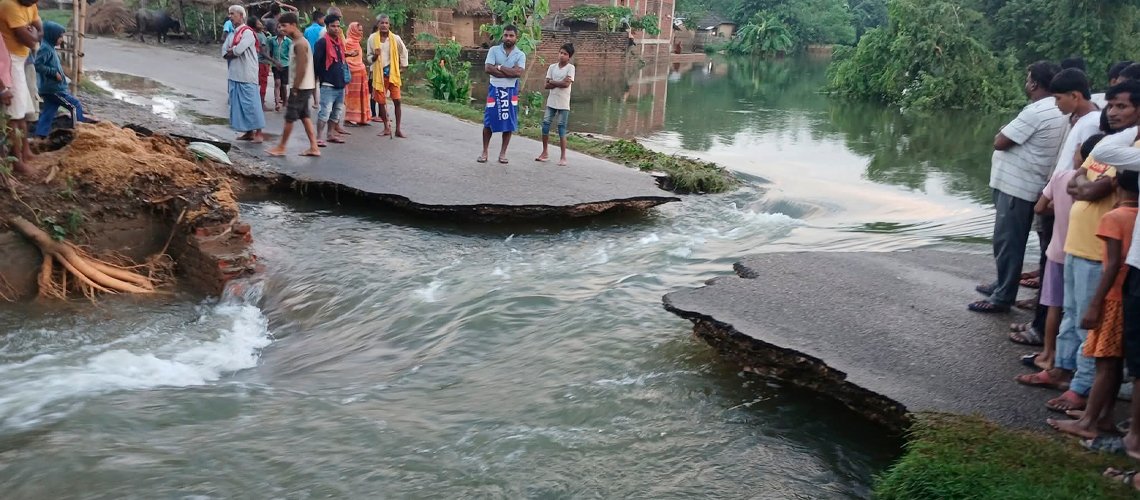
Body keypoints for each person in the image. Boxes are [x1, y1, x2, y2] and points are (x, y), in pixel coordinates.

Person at [1041, 80, 1140, 413]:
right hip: (1076, 246)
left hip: (1099, 255)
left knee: (1089, 324)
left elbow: (1092, 189)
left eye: (1121, 106)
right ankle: (1062, 369)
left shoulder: (1131, 153)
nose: (1112, 112)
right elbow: (1076, 183)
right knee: (1070, 316)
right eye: (1110, 105)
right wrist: (1087, 186)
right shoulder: (1107, 144)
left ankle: (1081, 388)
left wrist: (1088, 186)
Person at [1011, 69, 1103, 347]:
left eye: (1059, 98)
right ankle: (1042, 328)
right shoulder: (1082, 120)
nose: (1056, 104)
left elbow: (1080, 167)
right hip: (1058, 199)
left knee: (1055, 274)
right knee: (1051, 269)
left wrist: (1053, 200)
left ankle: (1043, 332)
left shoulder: (1089, 124)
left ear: (1075, 96)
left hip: (1062, 206)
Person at [1047, 170, 1137, 439]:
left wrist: (1096, 303)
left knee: (1105, 363)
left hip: (1112, 297)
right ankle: (1103, 417)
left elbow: (1112, 265)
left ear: (1116, 183)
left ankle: (1088, 423)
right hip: (1128, 295)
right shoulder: (1137, 216)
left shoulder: (1114, 217)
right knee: (1114, 361)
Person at [970, 61, 1066, 313]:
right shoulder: (1059, 109)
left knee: (1008, 241)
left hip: (1018, 187)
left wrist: (1003, 130)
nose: (1026, 83)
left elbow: (1000, 141)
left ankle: (1003, 296)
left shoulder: (1036, 111)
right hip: (1032, 183)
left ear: (1034, 84)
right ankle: (1003, 284)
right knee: (1012, 240)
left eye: (1028, 78)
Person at [1016, 134, 1102, 385]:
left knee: (1056, 306)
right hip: (1084, 252)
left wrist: (1056, 208)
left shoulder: (1062, 177)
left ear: (1082, 156)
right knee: (1077, 311)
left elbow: (1039, 208)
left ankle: (1048, 354)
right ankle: (1075, 364)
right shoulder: (1099, 186)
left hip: (1057, 252)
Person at [267, 12, 318, 158]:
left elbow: (302, 67)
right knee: (304, 116)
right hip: (304, 86)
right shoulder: (296, 42)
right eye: (280, 26)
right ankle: (314, 147)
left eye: (284, 25)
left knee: (290, 117)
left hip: (301, 87)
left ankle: (281, 147)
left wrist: (295, 88)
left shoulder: (300, 43)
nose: (281, 28)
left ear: (294, 25)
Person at [32, 21, 94, 137]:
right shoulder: (46, 49)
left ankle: (40, 135)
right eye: (60, 36)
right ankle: (79, 132)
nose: (62, 40)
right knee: (74, 105)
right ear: (51, 35)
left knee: (49, 112)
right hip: (53, 89)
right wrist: (54, 73)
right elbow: (37, 65)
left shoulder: (49, 47)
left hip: (50, 88)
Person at [0, 0, 41, 176]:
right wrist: (34, 34)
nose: (36, 1)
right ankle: (17, 161)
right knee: (14, 116)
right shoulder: (8, 5)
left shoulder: (30, 4)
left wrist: (35, 34)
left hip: (20, 61)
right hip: (10, 63)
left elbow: (39, 31)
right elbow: (30, 41)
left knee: (22, 113)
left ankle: (25, 153)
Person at [479, 25, 524, 164]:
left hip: (511, 91)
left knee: (509, 122)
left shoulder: (520, 54)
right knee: (489, 121)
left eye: (511, 35)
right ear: (502, 36)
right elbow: (488, 68)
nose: (508, 38)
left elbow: (518, 73)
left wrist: (499, 67)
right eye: (506, 35)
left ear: (516, 37)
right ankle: (485, 151)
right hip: (494, 89)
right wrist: (509, 72)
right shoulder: (493, 50)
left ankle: (503, 153)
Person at [222, 5, 265, 143]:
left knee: (251, 104)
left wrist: (232, 50)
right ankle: (248, 132)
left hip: (247, 74)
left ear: (241, 16)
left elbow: (238, 50)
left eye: (232, 14)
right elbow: (224, 52)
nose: (230, 16)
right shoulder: (232, 34)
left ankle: (259, 133)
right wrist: (232, 51)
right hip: (234, 74)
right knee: (239, 106)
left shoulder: (247, 33)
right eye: (229, 14)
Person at [367, 14, 408, 138]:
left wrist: (403, 66)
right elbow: (369, 57)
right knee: (381, 102)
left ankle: (398, 129)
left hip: (393, 73)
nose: (384, 25)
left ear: (389, 25)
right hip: (379, 74)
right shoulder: (372, 39)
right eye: (382, 23)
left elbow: (403, 51)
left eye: (386, 23)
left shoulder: (395, 38)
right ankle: (386, 128)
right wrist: (375, 56)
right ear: (378, 25)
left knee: (397, 101)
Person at [536, 43, 575, 166]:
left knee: (561, 128)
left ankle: (563, 157)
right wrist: (558, 82)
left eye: (565, 54)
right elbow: (546, 85)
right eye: (560, 53)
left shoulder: (570, 68)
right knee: (545, 124)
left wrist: (553, 82)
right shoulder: (552, 67)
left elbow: (566, 84)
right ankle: (545, 152)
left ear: (569, 57)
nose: (562, 55)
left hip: (563, 103)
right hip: (551, 102)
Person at [312, 14, 347, 147]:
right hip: (327, 83)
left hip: (340, 83)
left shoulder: (339, 43)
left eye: (338, 26)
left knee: (337, 111)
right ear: (327, 27)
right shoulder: (322, 43)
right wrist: (318, 79)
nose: (336, 29)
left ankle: (331, 134)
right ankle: (319, 137)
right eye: (333, 26)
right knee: (325, 111)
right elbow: (316, 63)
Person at [342, 21, 370, 126]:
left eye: (361, 30)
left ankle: (361, 118)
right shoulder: (347, 42)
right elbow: (344, 57)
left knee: (362, 96)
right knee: (353, 97)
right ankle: (348, 119)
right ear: (353, 30)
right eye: (359, 30)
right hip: (353, 73)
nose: (361, 32)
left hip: (360, 73)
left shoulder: (357, 42)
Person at [267, 20, 291, 111]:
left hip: (286, 65)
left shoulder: (288, 41)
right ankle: (277, 103)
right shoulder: (272, 40)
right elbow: (269, 51)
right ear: (276, 29)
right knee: (277, 83)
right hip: (275, 65)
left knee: (284, 85)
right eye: (279, 27)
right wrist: (272, 61)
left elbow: (291, 54)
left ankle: (285, 100)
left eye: (283, 27)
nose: (281, 29)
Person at [251, 17, 272, 111]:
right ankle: (262, 103)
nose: (261, 24)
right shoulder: (261, 36)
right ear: (255, 26)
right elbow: (263, 52)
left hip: (256, 62)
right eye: (259, 23)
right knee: (263, 83)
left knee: (256, 83)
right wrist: (274, 61)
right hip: (262, 63)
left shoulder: (254, 34)